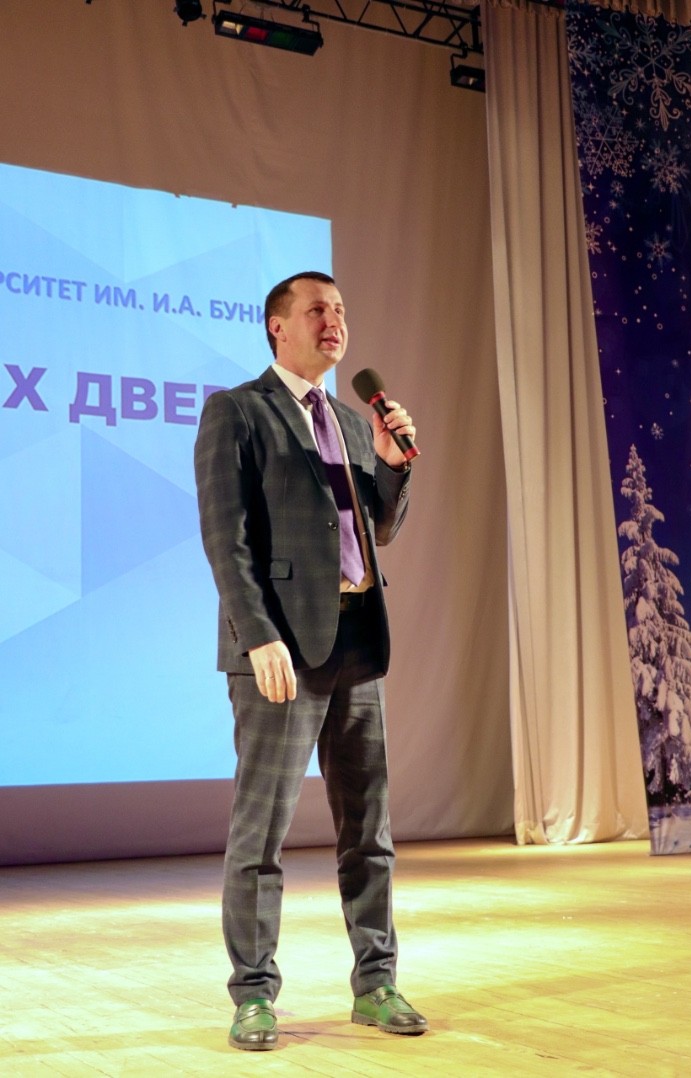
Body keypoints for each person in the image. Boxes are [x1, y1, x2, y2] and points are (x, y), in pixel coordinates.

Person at [194, 270, 427, 1051]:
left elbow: (377, 530)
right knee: (260, 834)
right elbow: (225, 539)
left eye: (341, 310)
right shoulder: (238, 411)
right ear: (277, 326)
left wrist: (392, 464)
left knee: (369, 831)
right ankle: (253, 995)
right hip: (280, 651)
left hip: (356, 641)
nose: (335, 321)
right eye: (318, 309)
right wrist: (257, 635)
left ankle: (377, 983)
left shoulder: (353, 422)